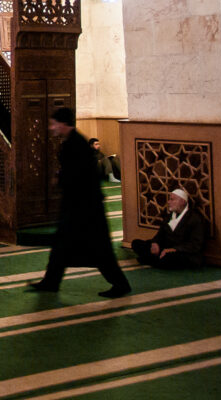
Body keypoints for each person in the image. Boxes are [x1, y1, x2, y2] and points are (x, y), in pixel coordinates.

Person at [30, 107, 131, 298]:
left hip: (86, 208)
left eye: (54, 124)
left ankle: (121, 284)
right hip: (78, 205)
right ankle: (51, 281)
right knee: (61, 245)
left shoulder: (75, 145)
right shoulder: (74, 142)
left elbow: (79, 177)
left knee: (101, 250)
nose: (52, 128)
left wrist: (59, 179)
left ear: (63, 124)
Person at [131, 187, 207, 269]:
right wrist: (155, 243)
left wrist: (173, 249)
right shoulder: (169, 216)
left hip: (182, 252)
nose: (168, 202)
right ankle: (154, 259)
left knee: (169, 258)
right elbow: (160, 234)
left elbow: (195, 245)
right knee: (136, 243)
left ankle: (151, 259)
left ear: (182, 201)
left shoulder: (195, 218)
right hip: (166, 248)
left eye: (172, 199)